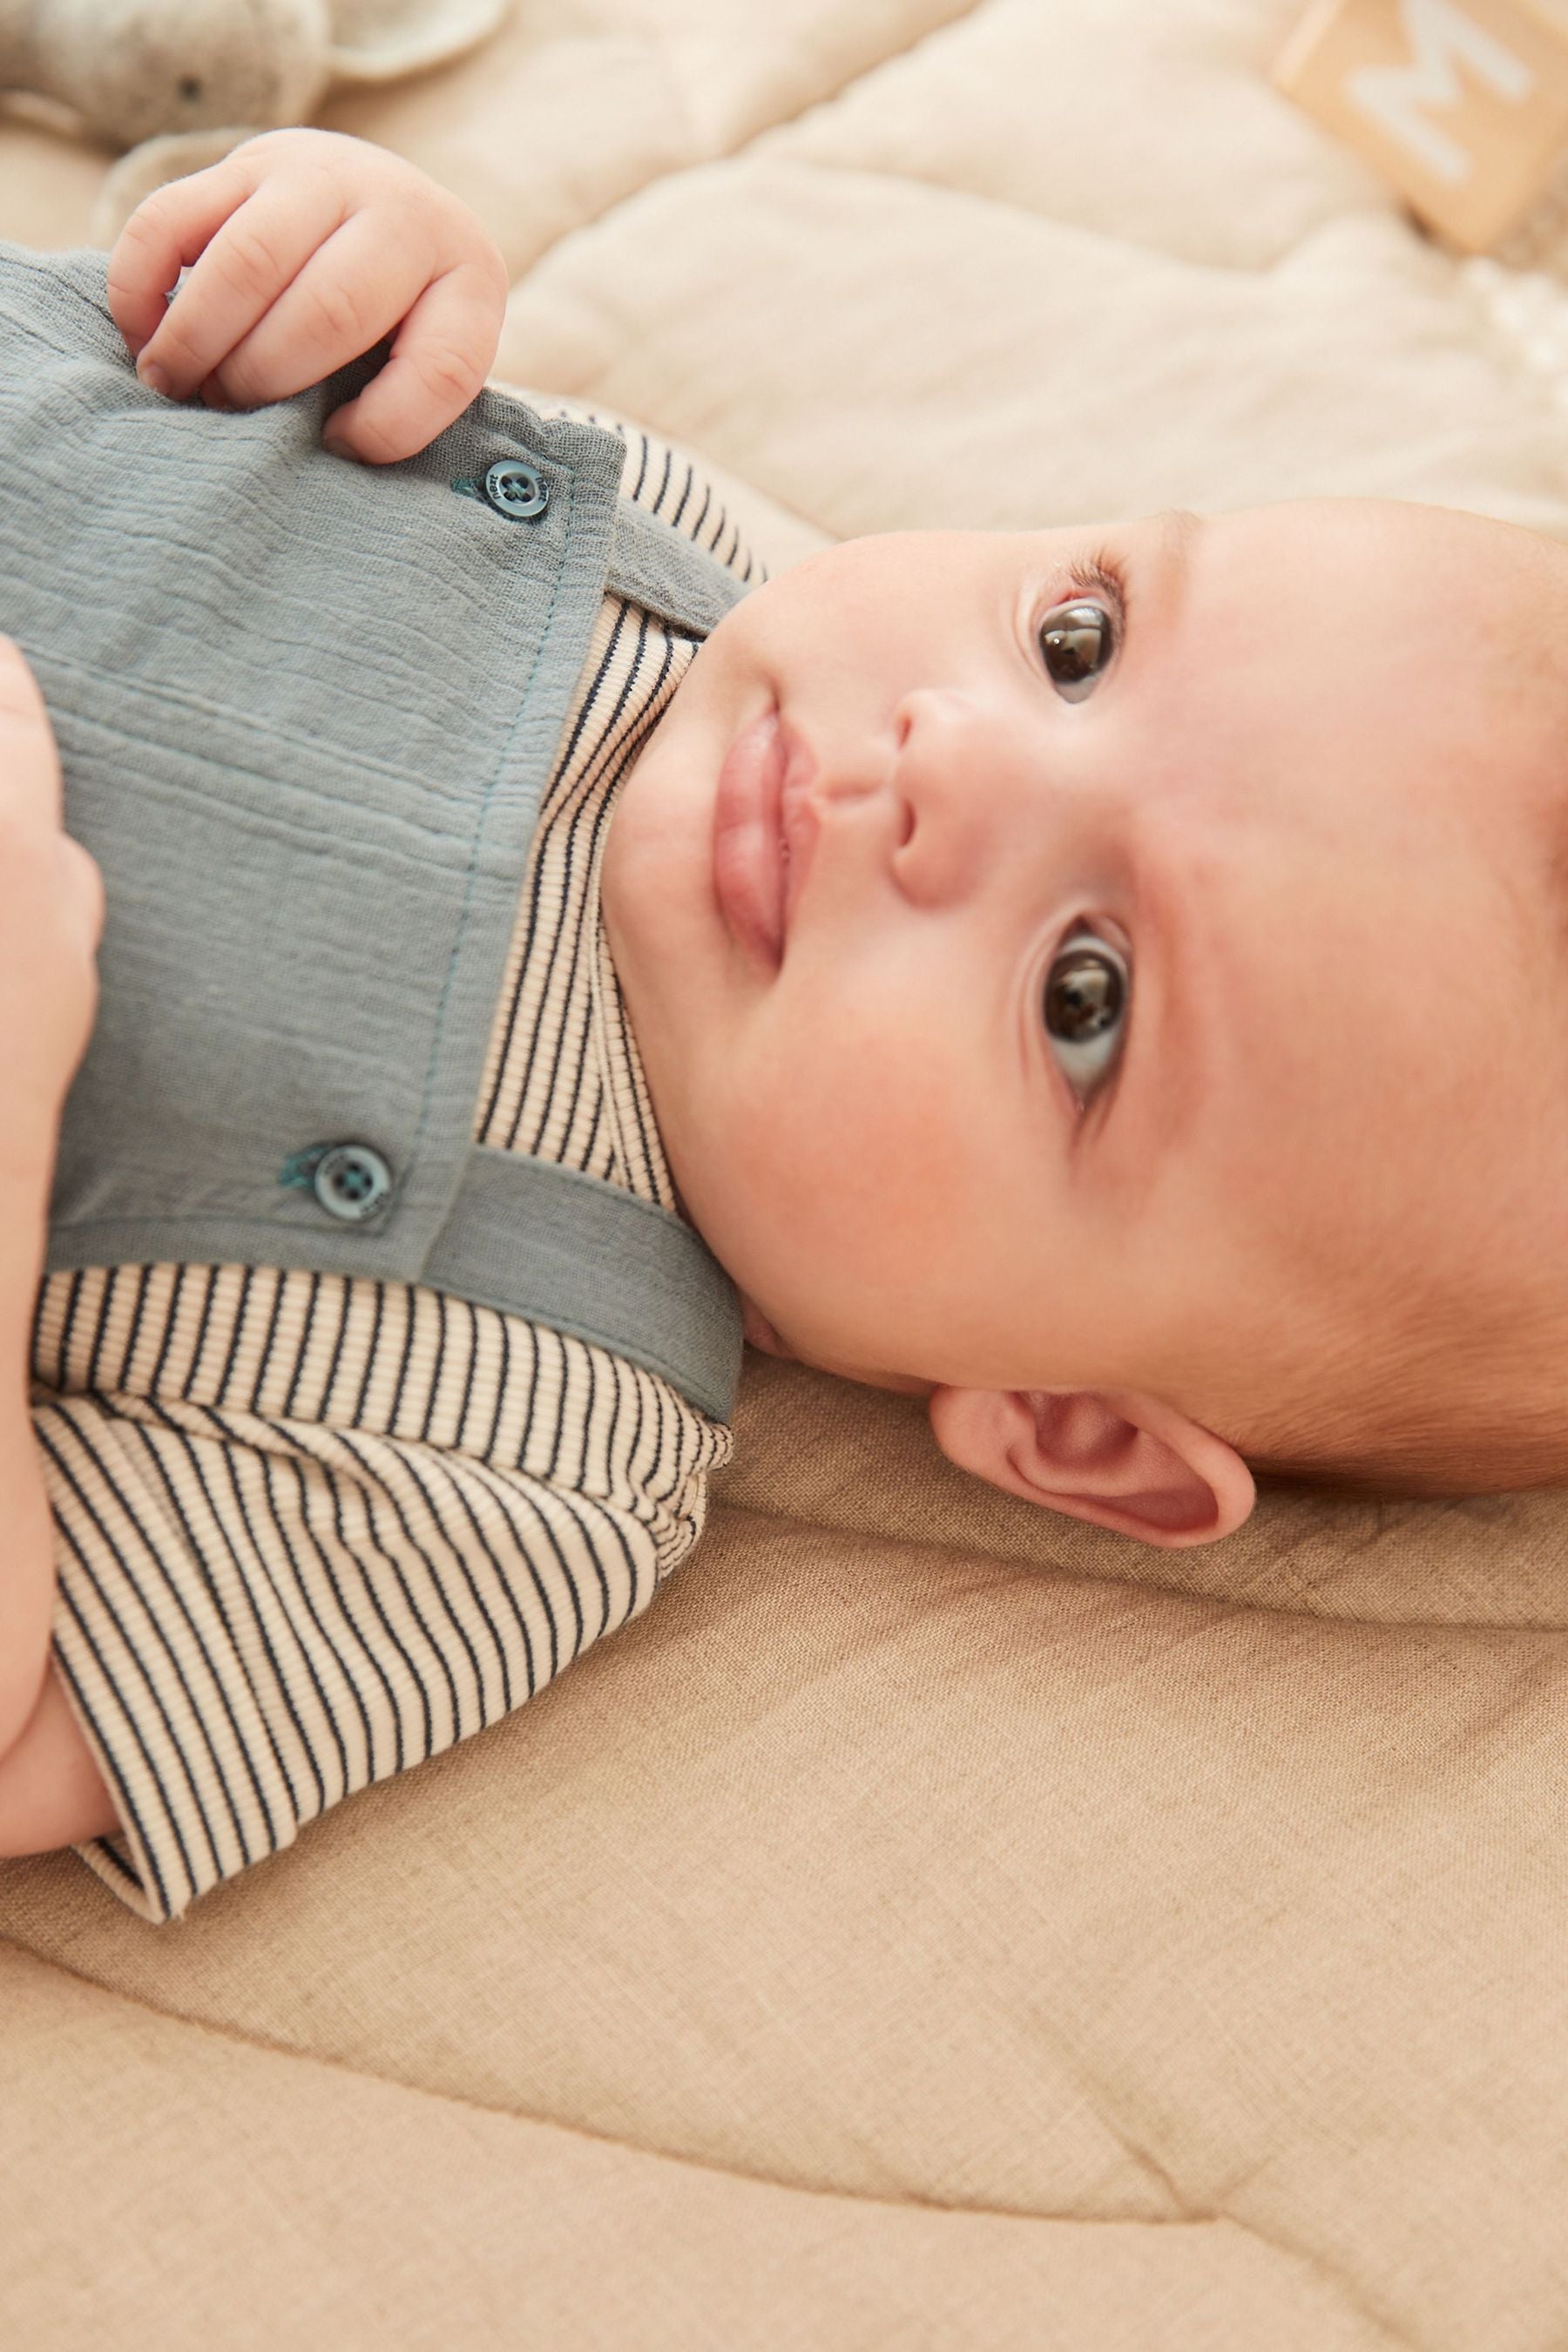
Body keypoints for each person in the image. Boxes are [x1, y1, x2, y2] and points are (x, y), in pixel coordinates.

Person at [3, 128, 1566, 1916]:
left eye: (1086, 995)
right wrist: (327, 240)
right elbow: (153, 332)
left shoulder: (524, 1459)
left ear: (1079, 1430)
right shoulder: (664, 554)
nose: (942, 760)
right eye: (1076, 644)